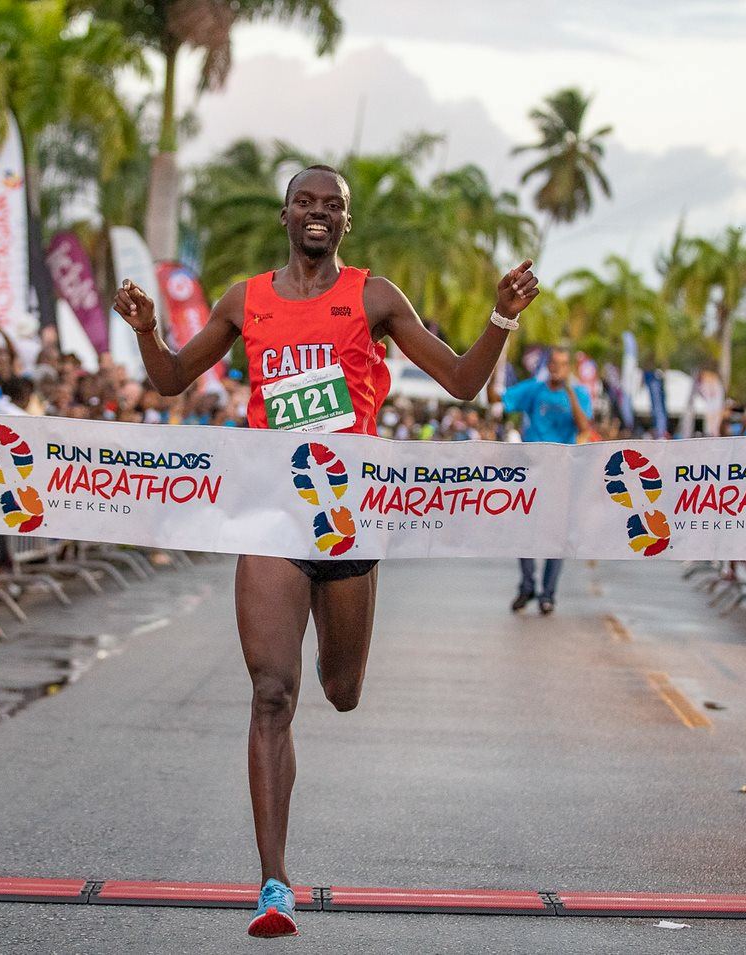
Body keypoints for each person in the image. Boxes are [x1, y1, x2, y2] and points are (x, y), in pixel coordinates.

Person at [114, 164, 539, 939]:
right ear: (285, 215)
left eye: (332, 205)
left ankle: (331, 655)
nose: (318, 213)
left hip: (347, 522)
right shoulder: (246, 300)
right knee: (271, 693)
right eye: (305, 202)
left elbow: (461, 382)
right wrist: (147, 329)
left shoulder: (375, 296)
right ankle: (274, 882)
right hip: (272, 517)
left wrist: (501, 320)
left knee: (339, 688)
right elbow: (173, 378)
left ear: (347, 221)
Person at [501, 347, 591, 615]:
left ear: (569, 368)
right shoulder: (534, 390)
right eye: (554, 363)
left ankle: (547, 594)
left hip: (561, 471)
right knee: (524, 530)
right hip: (532, 468)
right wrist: (495, 376)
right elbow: (503, 399)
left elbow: (584, 427)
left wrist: (571, 392)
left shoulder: (579, 394)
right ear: (548, 365)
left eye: (563, 364)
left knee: (557, 536)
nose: (557, 368)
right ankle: (527, 585)